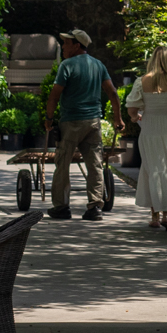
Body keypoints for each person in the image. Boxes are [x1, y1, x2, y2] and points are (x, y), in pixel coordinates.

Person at [44, 29, 123, 221]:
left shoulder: (67, 65)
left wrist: (48, 119)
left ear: (77, 45)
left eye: (67, 43)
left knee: (62, 164)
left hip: (71, 122)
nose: (63, 47)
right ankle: (95, 206)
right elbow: (112, 93)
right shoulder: (98, 65)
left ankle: (61, 207)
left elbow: (54, 95)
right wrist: (118, 119)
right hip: (93, 122)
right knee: (95, 164)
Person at [125, 46, 167, 230]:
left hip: (150, 131)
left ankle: (154, 216)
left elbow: (132, 109)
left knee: (152, 169)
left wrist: (135, 117)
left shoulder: (142, 81)